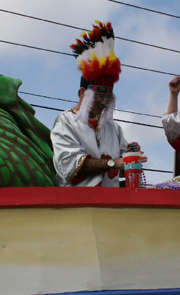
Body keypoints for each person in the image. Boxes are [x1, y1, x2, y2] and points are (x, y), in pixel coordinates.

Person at [51, 21, 145, 187]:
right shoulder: (65, 122)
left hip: (109, 206)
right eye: (99, 95)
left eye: (108, 96)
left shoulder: (113, 129)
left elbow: (123, 166)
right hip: (75, 205)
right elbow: (70, 166)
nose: (104, 102)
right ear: (83, 93)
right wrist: (114, 163)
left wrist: (131, 156)